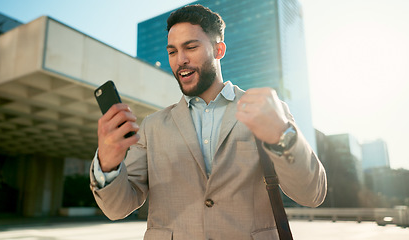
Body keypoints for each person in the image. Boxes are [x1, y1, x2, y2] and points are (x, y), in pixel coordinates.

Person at [90, 4, 327, 240]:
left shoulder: (266, 110)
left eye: (190, 47)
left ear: (219, 50)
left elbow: (312, 194)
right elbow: (117, 208)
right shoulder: (152, 126)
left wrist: (282, 136)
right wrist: (108, 164)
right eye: (172, 52)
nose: (180, 60)